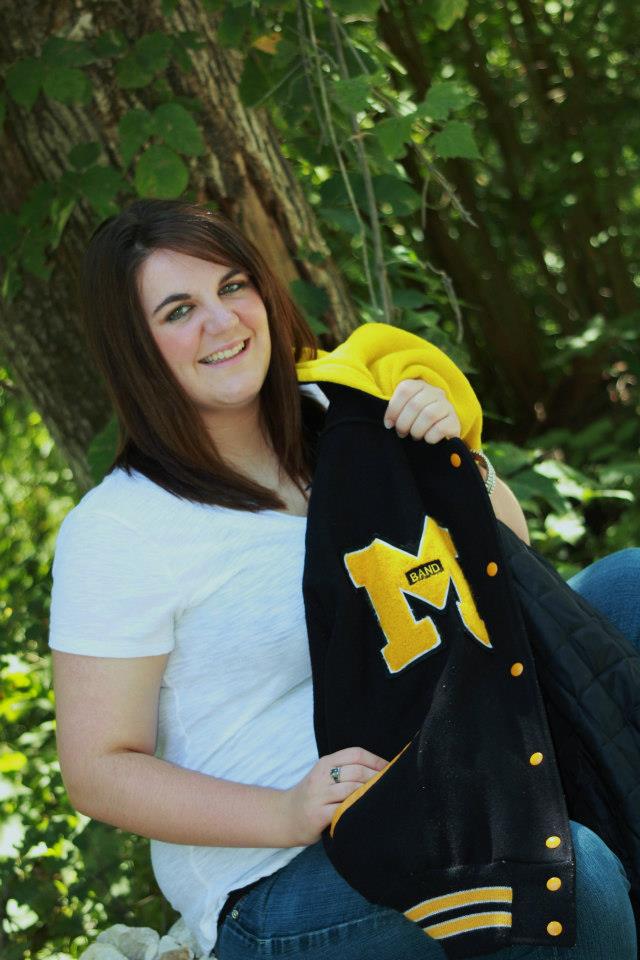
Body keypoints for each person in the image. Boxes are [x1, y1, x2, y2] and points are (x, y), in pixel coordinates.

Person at [49, 198, 638, 960]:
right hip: (286, 870)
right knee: (572, 879)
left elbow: (507, 561)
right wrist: (287, 811)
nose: (222, 322)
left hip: (461, 761)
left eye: (233, 286)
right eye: (179, 310)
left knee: (627, 583)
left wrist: (457, 457)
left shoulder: (342, 412)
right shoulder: (121, 527)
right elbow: (98, 770)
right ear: (133, 348)